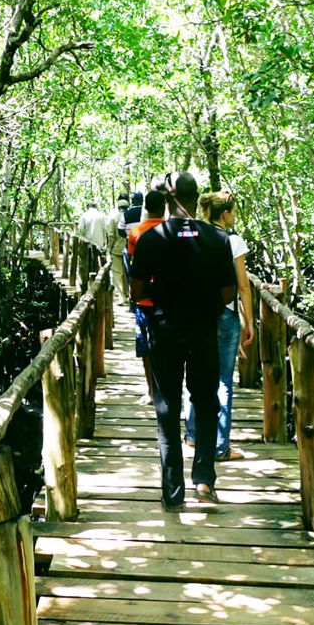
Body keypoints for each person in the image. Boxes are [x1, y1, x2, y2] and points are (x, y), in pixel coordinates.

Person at [129, 172, 237, 511]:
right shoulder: (217, 239)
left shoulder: (151, 239)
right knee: (206, 403)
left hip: (165, 332)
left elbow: (137, 292)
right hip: (204, 330)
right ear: (196, 197)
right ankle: (204, 481)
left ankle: (172, 493)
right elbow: (228, 292)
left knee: (167, 408)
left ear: (168, 197)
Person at [186, 191, 255, 461]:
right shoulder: (233, 241)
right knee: (223, 381)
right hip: (224, 315)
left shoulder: (194, 234)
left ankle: (192, 435)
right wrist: (249, 321)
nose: (235, 216)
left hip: (197, 314)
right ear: (225, 214)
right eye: (234, 212)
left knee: (195, 373)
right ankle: (219, 446)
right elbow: (243, 285)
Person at [126, 188, 168, 404]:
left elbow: (133, 263)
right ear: (164, 207)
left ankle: (152, 391)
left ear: (146, 208)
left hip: (143, 300)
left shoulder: (136, 233)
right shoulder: (171, 231)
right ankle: (167, 391)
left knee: (146, 347)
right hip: (169, 300)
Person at [108, 194, 131, 303]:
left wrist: (109, 248)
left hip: (116, 250)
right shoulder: (130, 215)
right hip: (129, 249)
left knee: (117, 274)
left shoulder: (113, 217)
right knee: (127, 273)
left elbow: (111, 235)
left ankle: (120, 297)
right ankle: (127, 294)